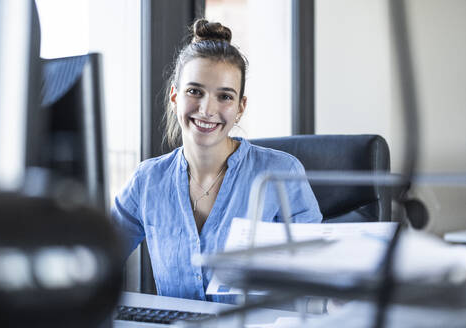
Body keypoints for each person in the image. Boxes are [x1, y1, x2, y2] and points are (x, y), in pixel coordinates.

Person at [111, 19, 322, 304]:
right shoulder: (147, 180)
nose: (207, 109)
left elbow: (319, 275)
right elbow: (97, 259)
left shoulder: (281, 173)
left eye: (224, 96)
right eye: (194, 91)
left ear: (240, 108)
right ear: (175, 96)